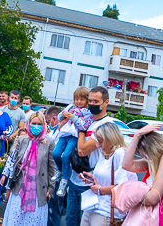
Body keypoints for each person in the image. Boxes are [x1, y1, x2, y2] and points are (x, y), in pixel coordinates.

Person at [66, 86, 113, 226]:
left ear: (106, 102)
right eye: (90, 101)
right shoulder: (87, 119)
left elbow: (82, 150)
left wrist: (81, 131)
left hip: (90, 182)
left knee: (83, 222)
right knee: (70, 220)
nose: (92, 104)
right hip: (75, 178)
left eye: (96, 101)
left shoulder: (106, 125)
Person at [123, 124, 163, 226]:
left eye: (139, 150)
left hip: (159, 220)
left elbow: (152, 198)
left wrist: (128, 196)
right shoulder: (155, 161)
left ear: (145, 149)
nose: (140, 154)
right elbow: (126, 165)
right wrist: (136, 136)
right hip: (151, 219)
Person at [2, 111, 57, 226]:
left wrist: (51, 188)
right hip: (20, 186)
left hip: (38, 189)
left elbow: (53, 168)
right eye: (33, 123)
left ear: (43, 125)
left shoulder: (49, 142)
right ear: (29, 124)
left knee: (33, 220)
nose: (36, 127)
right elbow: (14, 160)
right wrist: (6, 175)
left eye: (39, 124)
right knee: (16, 218)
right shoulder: (22, 140)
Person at [80, 123, 138, 225]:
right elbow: (104, 179)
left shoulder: (119, 153)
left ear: (110, 140)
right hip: (93, 206)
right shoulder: (104, 154)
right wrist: (92, 179)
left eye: (100, 141)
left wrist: (99, 189)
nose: (98, 145)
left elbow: (123, 187)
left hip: (106, 211)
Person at [51, 86, 93, 197]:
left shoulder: (87, 112)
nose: (79, 102)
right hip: (64, 134)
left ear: (87, 101)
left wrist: (73, 117)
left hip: (75, 136)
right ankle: (60, 170)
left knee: (66, 156)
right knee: (55, 153)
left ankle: (64, 179)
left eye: (82, 99)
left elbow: (83, 126)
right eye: (77, 99)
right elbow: (59, 117)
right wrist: (63, 115)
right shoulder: (70, 106)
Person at [45, 106, 64, 226]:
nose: (48, 124)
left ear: (54, 118)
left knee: (54, 208)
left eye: (48, 121)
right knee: (49, 208)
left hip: (57, 175)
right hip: (50, 174)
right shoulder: (53, 132)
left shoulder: (63, 134)